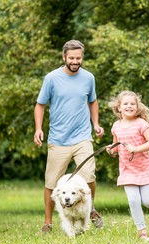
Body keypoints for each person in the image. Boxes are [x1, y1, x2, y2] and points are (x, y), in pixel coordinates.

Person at [34, 39, 105, 233]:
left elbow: (93, 101)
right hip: (58, 140)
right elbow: (40, 105)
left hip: (82, 136)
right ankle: (47, 223)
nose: (75, 61)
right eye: (72, 58)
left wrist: (96, 124)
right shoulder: (51, 78)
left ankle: (90, 209)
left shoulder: (88, 77)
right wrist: (38, 128)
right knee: (52, 182)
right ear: (64, 57)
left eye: (79, 58)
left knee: (89, 176)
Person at [107, 90, 149, 240]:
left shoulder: (141, 124)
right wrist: (111, 150)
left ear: (137, 107)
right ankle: (142, 232)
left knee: (147, 200)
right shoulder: (116, 126)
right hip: (127, 170)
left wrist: (136, 149)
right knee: (133, 200)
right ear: (119, 107)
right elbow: (116, 146)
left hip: (144, 168)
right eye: (126, 103)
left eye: (133, 104)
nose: (129, 106)